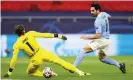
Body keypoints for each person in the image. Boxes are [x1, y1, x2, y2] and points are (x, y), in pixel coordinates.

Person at [4, 25, 91, 78]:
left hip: (35, 59)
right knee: (60, 61)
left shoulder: (16, 44)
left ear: (16, 33)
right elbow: (45, 35)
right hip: (42, 52)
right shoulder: (30, 33)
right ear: (23, 30)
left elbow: (14, 59)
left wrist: (9, 72)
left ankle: (47, 73)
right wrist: (59, 36)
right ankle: (80, 72)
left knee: (30, 72)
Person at [73, 3, 126, 74]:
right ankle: (119, 65)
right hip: (107, 40)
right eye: (91, 11)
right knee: (103, 59)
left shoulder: (97, 21)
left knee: (83, 50)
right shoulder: (104, 13)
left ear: (98, 10)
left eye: (93, 11)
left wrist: (86, 37)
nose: (91, 12)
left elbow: (97, 36)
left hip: (101, 40)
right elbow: (109, 16)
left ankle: (73, 68)